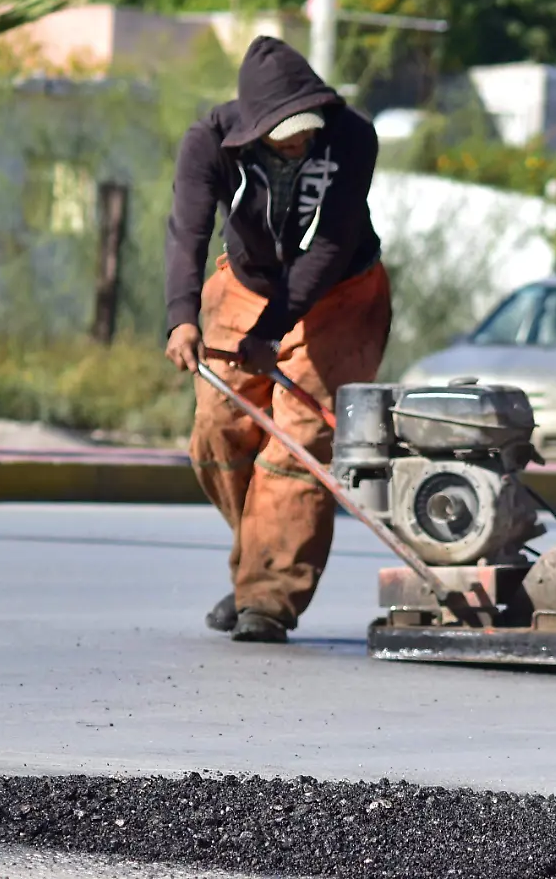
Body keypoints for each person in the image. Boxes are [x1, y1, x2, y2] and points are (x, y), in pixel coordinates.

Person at [163, 36, 390, 645]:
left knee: (298, 442)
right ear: (255, 125)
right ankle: (256, 565)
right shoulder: (208, 142)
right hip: (244, 283)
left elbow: (332, 244)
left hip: (340, 295)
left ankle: (267, 598)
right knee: (217, 429)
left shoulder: (352, 136)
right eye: (287, 130)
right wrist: (181, 316)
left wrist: (273, 331)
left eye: (308, 126)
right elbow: (188, 232)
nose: (302, 139)